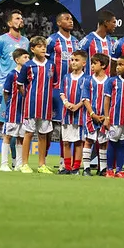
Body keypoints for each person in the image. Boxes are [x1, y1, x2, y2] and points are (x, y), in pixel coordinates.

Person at [0, 10, 30, 170]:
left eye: (21, 17)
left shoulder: (26, 42)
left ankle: (15, 162)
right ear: (9, 23)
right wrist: (1, 82)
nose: (21, 20)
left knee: (16, 125)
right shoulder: (1, 41)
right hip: (4, 89)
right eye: (17, 18)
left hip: (19, 90)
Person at [18, 36, 54, 174]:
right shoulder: (28, 66)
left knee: (43, 135)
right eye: (39, 46)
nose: (43, 48)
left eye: (44, 46)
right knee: (28, 133)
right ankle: (24, 164)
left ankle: (41, 164)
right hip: (31, 106)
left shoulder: (51, 65)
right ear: (32, 49)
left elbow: (53, 83)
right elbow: (20, 85)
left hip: (46, 106)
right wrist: (28, 98)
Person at [48, 12, 80, 153]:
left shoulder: (76, 42)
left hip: (71, 89)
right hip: (54, 88)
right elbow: (46, 63)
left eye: (72, 19)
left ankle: (63, 159)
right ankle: (43, 160)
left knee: (67, 126)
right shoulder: (52, 40)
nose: (70, 21)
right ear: (59, 23)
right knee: (48, 126)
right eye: (67, 19)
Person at [103, 56, 124, 177]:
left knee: (122, 144)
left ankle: (119, 170)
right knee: (112, 142)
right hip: (114, 118)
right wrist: (106, 117)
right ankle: (109, 169)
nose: (118, 67)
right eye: (117, 64)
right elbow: (107, 100)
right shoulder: (112, 81)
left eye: (121, 65)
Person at [1, 48, 30, 172]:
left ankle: (18, 164)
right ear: (17, 60)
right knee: (8, 136)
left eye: (28, 57)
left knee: (21, 137)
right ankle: (4, 163)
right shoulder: (12, 74)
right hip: (13, 110)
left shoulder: (29, 75)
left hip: (24, 111)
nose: (28, 60)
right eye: (25, 57)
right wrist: (9, 105)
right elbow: (6, 92)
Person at [59, 50, 87, 175]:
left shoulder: (87, 78)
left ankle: (76, 167)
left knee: (78, 142)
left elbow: (87, 96)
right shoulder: (66, 77)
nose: (73, 62)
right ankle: (67, 167)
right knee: (65, 141)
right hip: (66, 114)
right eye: (72, 60)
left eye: (76, 60)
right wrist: (66, 103)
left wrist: (77, 106)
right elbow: (61, 92)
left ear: (84, 63)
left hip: (80, 115)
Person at [81, 53, 109, 176]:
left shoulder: (110, 81)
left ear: (103, 65)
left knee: (103, 142)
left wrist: (106, 116)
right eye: (91, 63)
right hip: (90, 116)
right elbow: (85, 98)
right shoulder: (88, 80)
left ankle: (102, 168)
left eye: (94, 63)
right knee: (88, 140)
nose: (91, 66)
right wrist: (92, 113)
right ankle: (86, 168)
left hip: (104, 117)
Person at [78, 10, 117, 75]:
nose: (115, 25)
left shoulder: (112, 42)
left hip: (107, 83)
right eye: (113, 22)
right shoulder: (88, 40)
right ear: (106, 22)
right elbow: (77, 60)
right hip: (91, 82)